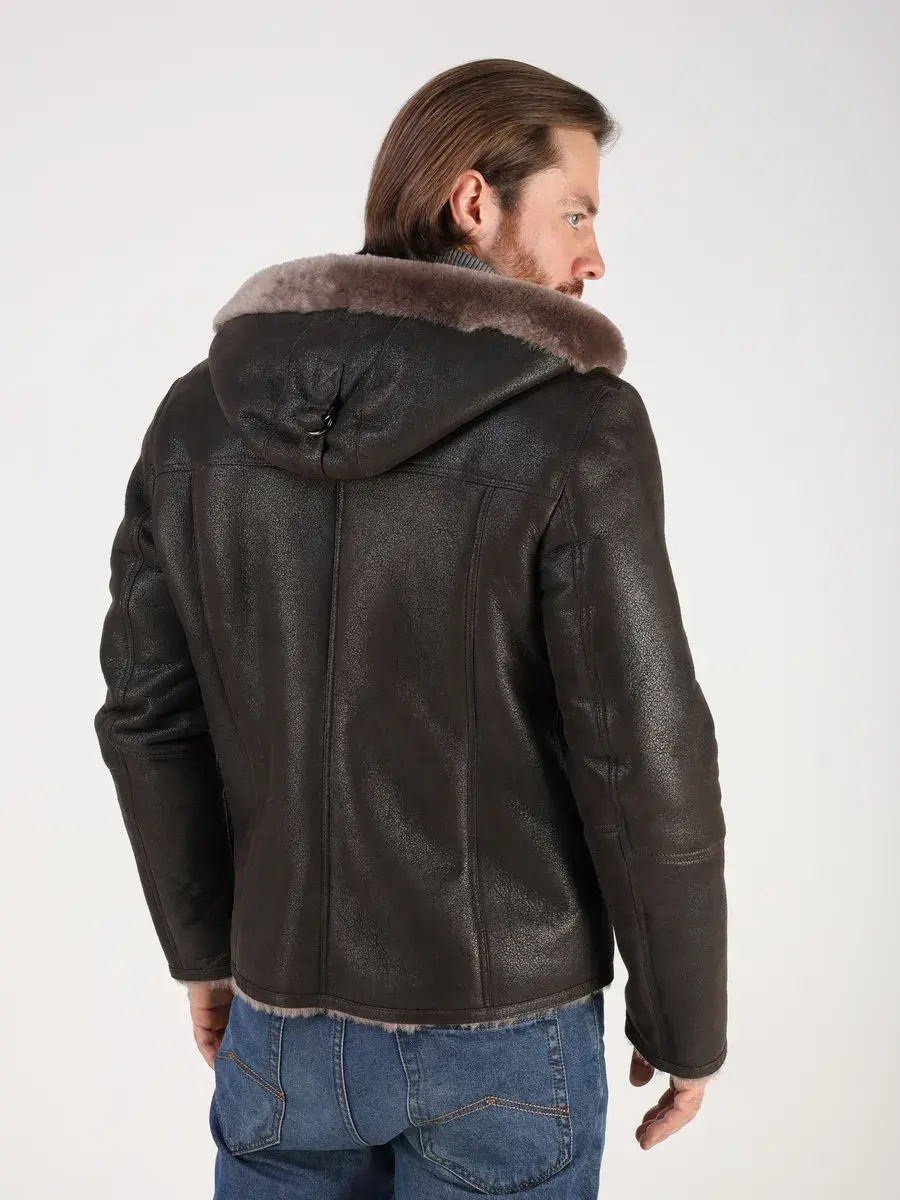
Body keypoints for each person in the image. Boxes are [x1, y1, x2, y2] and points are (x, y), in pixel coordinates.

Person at [94, 57, 727, 1197]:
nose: (595, 256)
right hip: (507, 1029)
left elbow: (147, 714)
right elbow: (642, 750)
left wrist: (206, 951)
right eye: (576, 213)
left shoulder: (198, 415)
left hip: (279, 1025)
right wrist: (684, 1018)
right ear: (475, 202)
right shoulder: (577, 425)